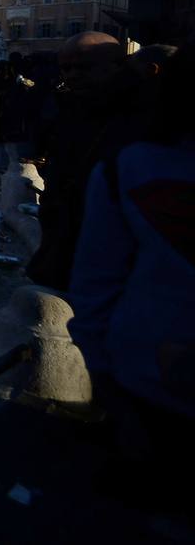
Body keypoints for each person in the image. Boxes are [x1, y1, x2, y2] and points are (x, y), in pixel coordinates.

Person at [68, 41, 195, 484]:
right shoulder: (129, 163)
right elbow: (95, 282)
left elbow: (94, 282)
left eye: (83, 68)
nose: (73, 77)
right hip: (143, 378)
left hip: (142, 371)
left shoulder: (131, 164)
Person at [27, 31, 127, 290]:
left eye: (84, 67)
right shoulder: (69, 105)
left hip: (105, 253)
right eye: (66, 68)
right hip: (62, 237)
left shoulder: (135, 122)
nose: (72, 74)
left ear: (117, 67)